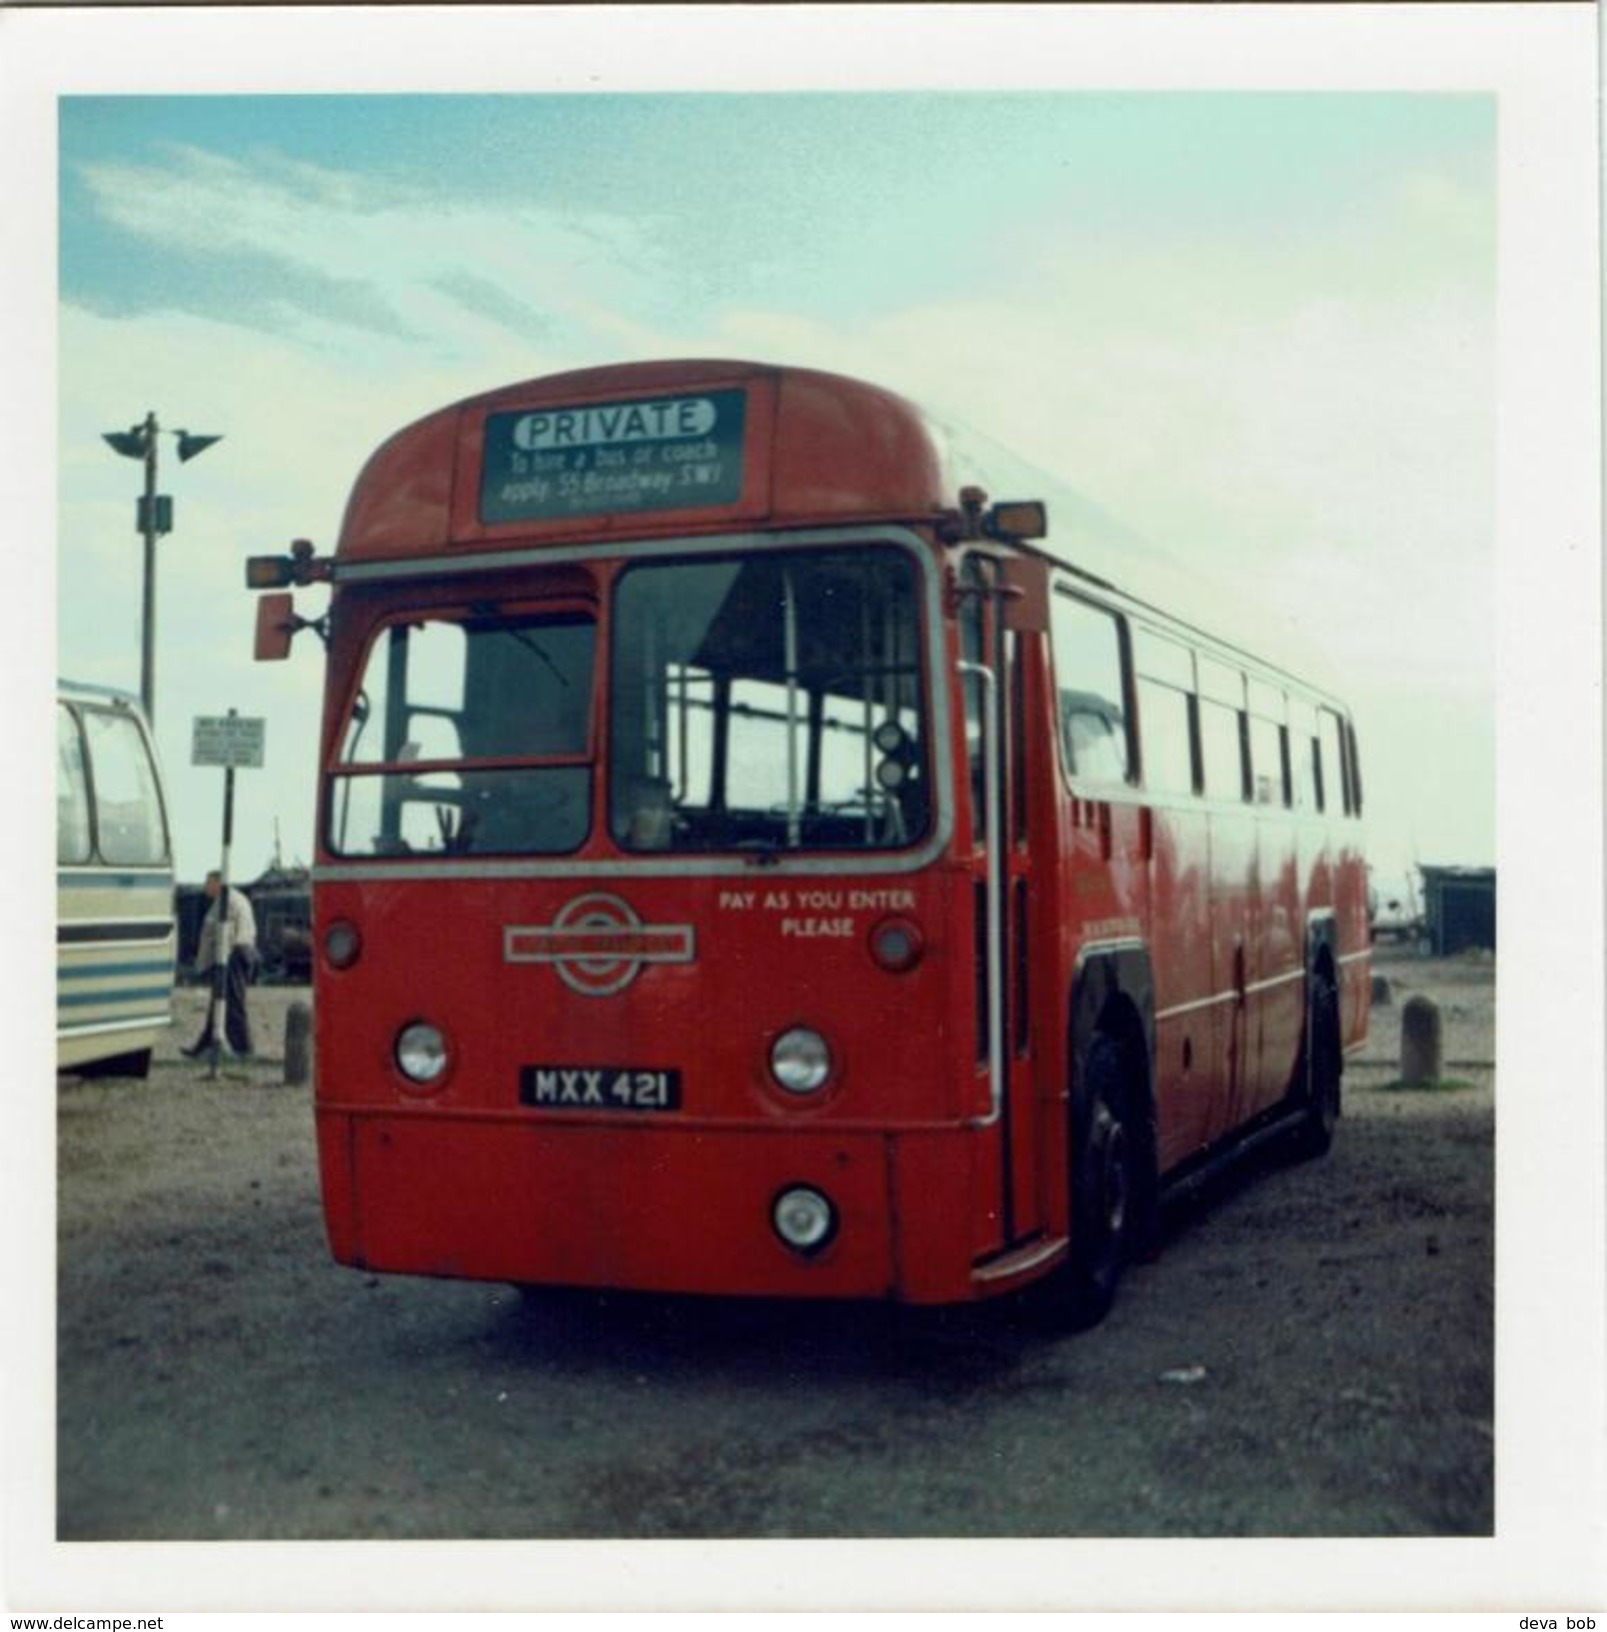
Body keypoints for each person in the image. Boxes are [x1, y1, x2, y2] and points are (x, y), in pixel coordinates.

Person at [183, 871, 260, 1059]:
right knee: (219, 1001)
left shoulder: (228, 901)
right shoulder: (232, 898)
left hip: (234, 953)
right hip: (239, 951)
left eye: (208, 882)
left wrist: (219, 960)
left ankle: (244, 1048)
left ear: (218, 882)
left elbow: (227, 932)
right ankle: (204, 1044)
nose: (205, 887)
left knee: (232, 1002)